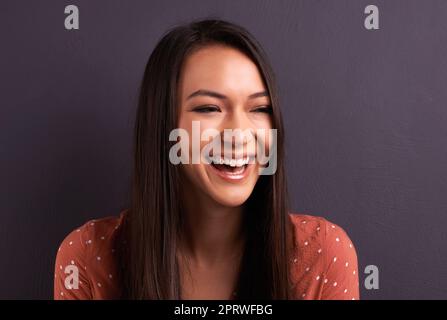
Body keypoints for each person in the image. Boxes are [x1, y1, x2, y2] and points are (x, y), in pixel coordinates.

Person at [54, 19, 359, 300]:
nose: (240, 134)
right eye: (209, 109)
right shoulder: (87, 257)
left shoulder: (322, 254)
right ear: (164, 128)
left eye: (258, 109)